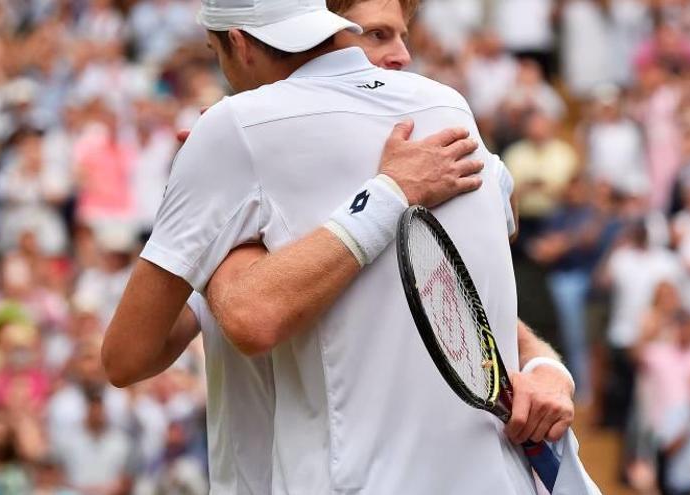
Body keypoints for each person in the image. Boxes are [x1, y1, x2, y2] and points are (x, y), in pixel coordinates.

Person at [103, 0, 594, 493]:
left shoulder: (236, 131)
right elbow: (191, 333)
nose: (398, 56)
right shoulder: (446, 110)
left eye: (400, 36)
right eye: (376, 35)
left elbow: (455, 303)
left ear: (238, 44)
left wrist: (544, 365)